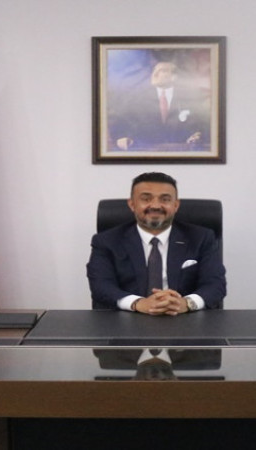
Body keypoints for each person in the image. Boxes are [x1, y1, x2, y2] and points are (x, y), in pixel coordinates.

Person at [86, 172, 226, 314]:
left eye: (165, 199)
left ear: (176, 205)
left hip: (185, 318)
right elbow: (101, 286)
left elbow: (215, 285)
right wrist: (138, 303)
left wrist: (185, 303)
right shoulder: (107, 241)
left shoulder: (201, 238)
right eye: (146, 199)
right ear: (132, 204)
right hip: (127, 318)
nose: (155, 205)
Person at [108, 62, 209, 151]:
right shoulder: (137, 97)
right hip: (145, 152)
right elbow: (121, 120)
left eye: (161, 71)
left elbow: (201, 122)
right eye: (154, 70)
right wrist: (121, 137)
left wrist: (197, 135)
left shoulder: (189, 97)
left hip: (181, 152)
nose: (155, 74)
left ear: (174, 77)